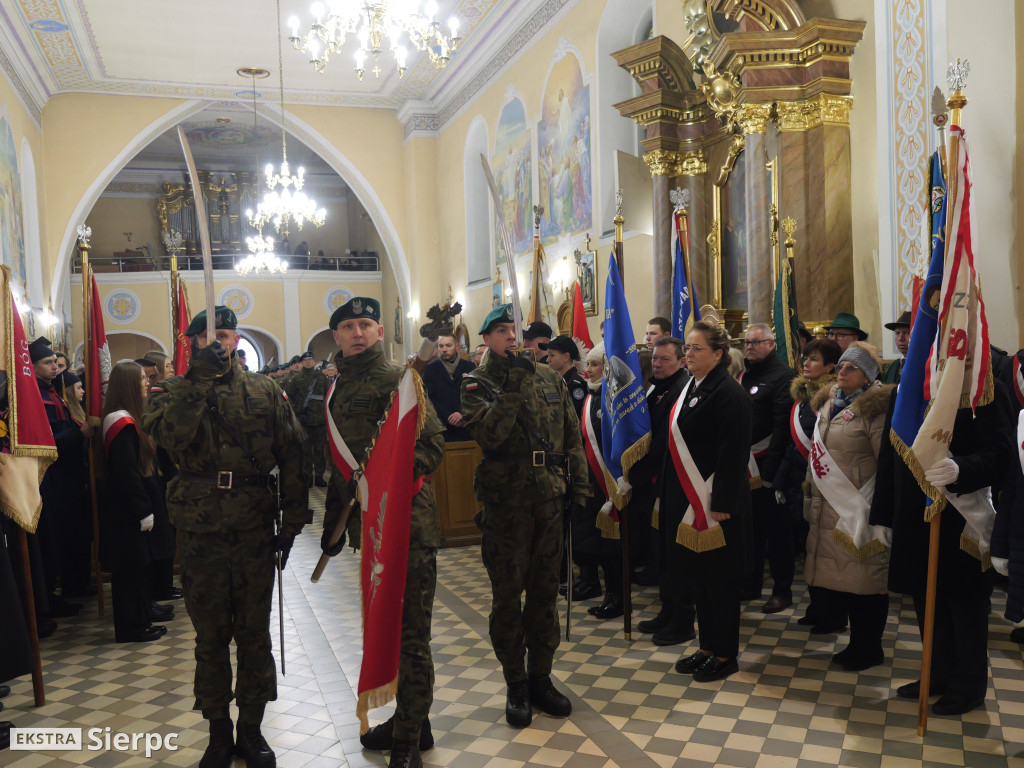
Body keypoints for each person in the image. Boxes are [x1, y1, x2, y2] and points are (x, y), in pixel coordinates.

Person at [142, 305, 310, 768]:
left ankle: (252, 730)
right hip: (200, 532)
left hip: (255, 527)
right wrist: (197, 383)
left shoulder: (265, 390)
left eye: (230, 335)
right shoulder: (169, 390)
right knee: (210, 637)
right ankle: (218, 730)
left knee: (254, 635)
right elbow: (169, 438)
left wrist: (293, 521)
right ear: (194, 343)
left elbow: (294, 453)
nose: (223, 343)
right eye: (211, 336)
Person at [319, 297, 445, 768]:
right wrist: (334, 528)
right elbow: (339, 469)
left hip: (407, 526)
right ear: (337, 336)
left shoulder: (401, 380)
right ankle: (416, 719)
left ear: (378, 331)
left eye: (365, 324)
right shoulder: (332, 388)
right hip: (367, 530)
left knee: (411, 634)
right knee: (385, 629)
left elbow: (432, 445)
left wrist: (388, 478)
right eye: (348, 326)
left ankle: (408, 740)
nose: (357, 332)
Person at [461, 304, 587, 728]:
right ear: (486, 340)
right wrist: (513, 382)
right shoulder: (477, 383)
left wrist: (581, 487)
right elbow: (491, 436)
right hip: (506, 504)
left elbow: (572, 435)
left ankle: (540, 677)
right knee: (507, 598)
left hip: (550, 499)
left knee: (544, 595)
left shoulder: (550, 377)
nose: (511, 337)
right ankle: (515, 681)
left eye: (515, 330)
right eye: (501, 331)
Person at [870, 368, 1013, 715]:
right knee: (926, 600)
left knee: (965, 607)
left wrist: (963, 468)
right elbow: (892, 456)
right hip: (914, 516)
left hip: (961, 518)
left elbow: (1002, 453)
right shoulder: (906, 390)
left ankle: (968, 685)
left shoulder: (984, 390)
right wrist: (882, 514)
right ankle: (936, 673)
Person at [668, 321, 752, 682]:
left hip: (717, 503)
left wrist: (722, 501)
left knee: (721, 581)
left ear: (718, 354)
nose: (688, 354)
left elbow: (733, 452)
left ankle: (725, 654)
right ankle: (706, 646)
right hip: (693, 501)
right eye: (686, 348)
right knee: (700, 579)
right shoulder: (692, 386)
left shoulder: (729, 393)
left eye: (695, 348)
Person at [805, 343, 893, 671]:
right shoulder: (831, 402)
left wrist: (873, 504)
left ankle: (869, 647)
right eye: (840, 365)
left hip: (860, 508)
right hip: (830, 506)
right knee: (849, 582)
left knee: (867, 583)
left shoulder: (877, 407)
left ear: (868, 374)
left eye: (850, 368)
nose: (841, 371)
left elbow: (886, 461)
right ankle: (856, 643)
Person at [99, 361, 176, 642]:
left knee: (142, 566)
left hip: (137, 504)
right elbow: (126, 472)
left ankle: (142, 616)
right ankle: (131, 625)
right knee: (130, 569)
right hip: (126, 511)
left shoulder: (130, 416)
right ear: (128, 383)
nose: (147, 383)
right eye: (142, 378)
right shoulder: (119, 421)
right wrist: (143, 509)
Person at [772, 338, 841, 630]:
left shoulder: (832, 399)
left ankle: (833, 614)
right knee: (808, 550)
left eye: (813, 359)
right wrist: (779, 481)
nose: (805, 363)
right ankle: (816, 607)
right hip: (797, 485)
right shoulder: (800, 398)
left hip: (824, 484)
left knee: (826, 553)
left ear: (830, 366)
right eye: (805, 358)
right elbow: (792, 444)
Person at [631, 337, 694, 645]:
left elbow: (662, 443)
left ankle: (681, 619)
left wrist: (637, 473)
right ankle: (667, 610)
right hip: (654, 484)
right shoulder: (656, 386)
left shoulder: (682, 390)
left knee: (676, 556)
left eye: (665, 359)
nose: (656, 364)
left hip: (670, 482)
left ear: (682, 362)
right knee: (661, 554)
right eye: (655, 358)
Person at [738, 324, 798, 612]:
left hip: (768, 467)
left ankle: (782, 589)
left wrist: (772, 475)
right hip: (744, 467)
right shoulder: (743, 375)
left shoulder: (784, 376)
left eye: (756, 342)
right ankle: (750, 582)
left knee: (777, 534)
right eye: (746, 342)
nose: (749, 347)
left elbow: (782, 428)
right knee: (750, 531)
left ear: (771, 344)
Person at [575, 342, 624, 619]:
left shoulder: (613, 398)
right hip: (593, 483)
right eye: (590, 364)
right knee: (598, 544)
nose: (589, 369)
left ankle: (618, 597)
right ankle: (608, 593)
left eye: (595, 364)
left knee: (613, 547)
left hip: (612, 483)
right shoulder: (591, 397)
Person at [284, 351, 330, 486]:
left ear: (314, 360)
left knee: (319, 450)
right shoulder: (296, 379)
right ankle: (308, 476)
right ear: (302, 362)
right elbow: (287, 396)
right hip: (303, 420)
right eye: (305, 360)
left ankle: (320, 476)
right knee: (306, 451)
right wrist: (295, 410)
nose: (308, 361)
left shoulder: (322, 378)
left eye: (310, 359)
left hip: (319, 420)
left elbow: (328, 396)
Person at [421, 334, 476, 442]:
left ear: (457, 347)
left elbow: (475, 394)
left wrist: (462, 413)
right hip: (441, 428)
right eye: (441, 346)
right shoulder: (430, 370)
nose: (444, 349)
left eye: (448, 345)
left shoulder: (470, 367)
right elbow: (428, 399)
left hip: (466, 427)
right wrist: (448, 416)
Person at [538, 335, 587, 418]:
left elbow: (575, 416)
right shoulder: (556, 381)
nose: (547, 360)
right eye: (548, 355)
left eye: (552, 355)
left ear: (566, 357)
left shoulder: (574, 384)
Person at [881, 311, 911, 384]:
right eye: (897, 333)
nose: (900, 338)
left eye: (907, 333)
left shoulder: (925, 365)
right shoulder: (891, 367)